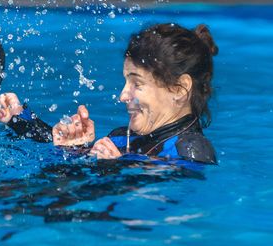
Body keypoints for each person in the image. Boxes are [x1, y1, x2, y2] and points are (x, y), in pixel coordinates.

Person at [53, 23, 218, 165]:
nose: (123, 96)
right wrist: (71, 149)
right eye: (126, 82)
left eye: (137, 84)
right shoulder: (120, 139)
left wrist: (117, 169)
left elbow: (174, 197)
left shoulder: (192, 151)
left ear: (180, 89)